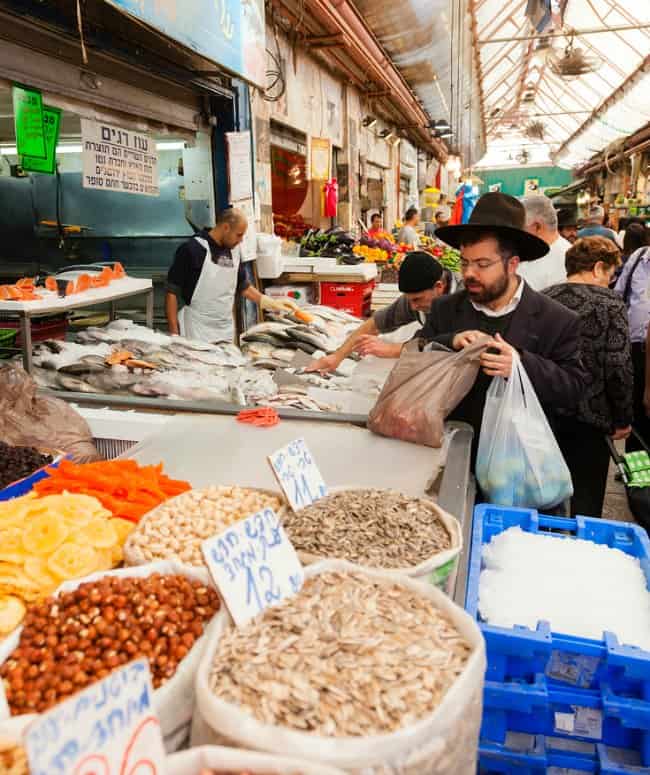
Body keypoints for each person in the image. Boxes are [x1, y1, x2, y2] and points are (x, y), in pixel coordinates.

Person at [422, 192, 585, 465]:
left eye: (482, 264)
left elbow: (573, 389)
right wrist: (449, 341)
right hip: (447, 456)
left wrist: (521, 365)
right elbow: (416, 353)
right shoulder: (445, 309)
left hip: (516, 464)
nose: (469, 273)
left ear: (512, 264)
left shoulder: (557, 319)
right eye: (465, 263)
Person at [545, 237, 633, 517]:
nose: (610, 281)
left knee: (546, 490)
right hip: (591, 416)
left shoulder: (543, 297)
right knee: (586, 494)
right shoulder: (610, 303)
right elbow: (618, 363)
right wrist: (622, 417)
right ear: (598, 268)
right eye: (610, 274)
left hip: (546, 412)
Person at [166, 208, 298, 342]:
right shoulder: (192, 249)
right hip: (196, 329)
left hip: (225, 330)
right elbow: (171, 293)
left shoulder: (234, 251)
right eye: (239, 235)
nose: (240, 241)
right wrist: (174, 333)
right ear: (225, 227)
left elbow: (243, 286)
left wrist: (269, 302)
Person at [306, 251, 448, 372]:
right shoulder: (416, 299)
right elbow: (375, 324)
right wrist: (337, 357)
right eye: (409, 300)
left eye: (417, 299)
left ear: (439, 286)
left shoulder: (462, 301)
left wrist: (391, 349)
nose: (412, 307)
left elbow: (439, 344)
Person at [615, 237, 650, 451]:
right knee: (637, 412)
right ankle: (637, 475)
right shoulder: (638, 258)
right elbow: (619, 296)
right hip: (636, 348)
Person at [518, 196, 571, 290]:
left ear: (536, 227)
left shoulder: (567, 258)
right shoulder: (528, 251)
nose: (518, 233)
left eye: (520, 227)